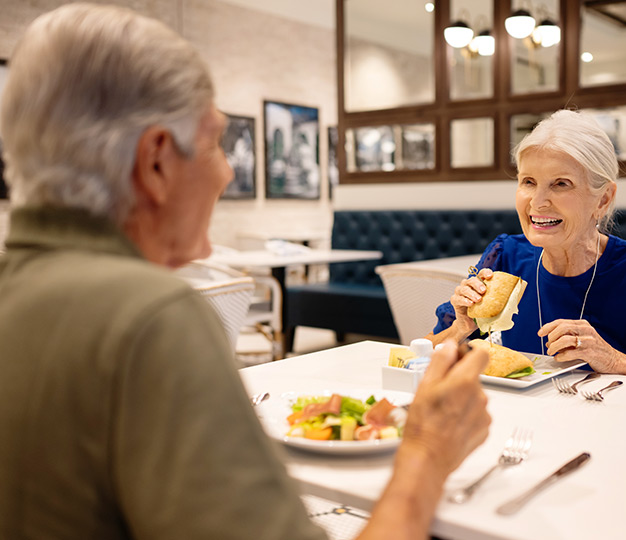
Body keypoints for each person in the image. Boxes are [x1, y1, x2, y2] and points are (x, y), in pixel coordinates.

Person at [0, 4, 491, 539]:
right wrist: (426, 451)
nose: (229, 169)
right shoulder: (149, 320)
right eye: (215, 142)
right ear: (157, 162)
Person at [428, 109, 626, 392]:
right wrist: (460, 328)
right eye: (528, 181)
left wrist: (613, 359)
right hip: (524, 434)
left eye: (560, 184)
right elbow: (419, 359)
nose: (537, 202)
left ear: (604, 199)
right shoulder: (505, 256)